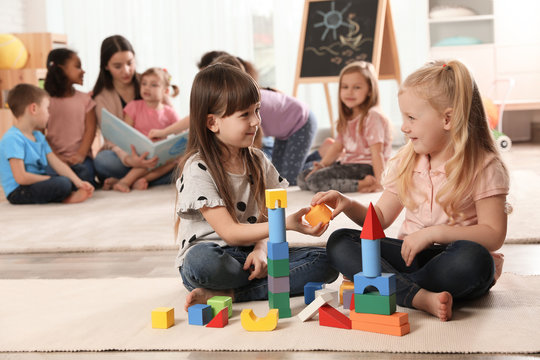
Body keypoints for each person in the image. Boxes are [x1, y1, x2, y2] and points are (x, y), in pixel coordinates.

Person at [315, 60, 510, 321]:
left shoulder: (484, 165)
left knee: (475, 261)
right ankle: (417, 297)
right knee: (340, 241)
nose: (404, 127)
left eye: (411, 118)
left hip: (453, 258)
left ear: (447, 118)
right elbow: (380, 219)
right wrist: (347, 203)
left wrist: (434, 234)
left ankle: (388, 286)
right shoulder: (407, 161)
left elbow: (493, 234)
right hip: (410, 255)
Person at [175, 63, 338, 310]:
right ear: (212, 122)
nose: (256, 122)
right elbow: (229, 232)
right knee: (201, 262)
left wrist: (262, 250)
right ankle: (244, 286)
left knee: (325, 260)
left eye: (257, 110)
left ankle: (228, 294)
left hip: (252, 256)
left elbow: (266, 219)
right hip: (215, 258)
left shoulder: (259, 161)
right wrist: (286, 223)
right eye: (245, 115)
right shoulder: (197, 167)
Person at [198, 51, 318, 185]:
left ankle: (321, 162)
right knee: (279, 171)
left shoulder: (247, 99)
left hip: (302, 121)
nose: (256, 120)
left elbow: (258, 139)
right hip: (285, 128)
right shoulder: (235, 101)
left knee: (290, 178)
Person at [297, 61, 392, 193]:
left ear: (370, 90)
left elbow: (377, 153)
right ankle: (354, 183)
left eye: (357, 87)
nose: (350, 92)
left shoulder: (372, 116)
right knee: (303, 177)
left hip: (366, 167)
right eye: (345, 87)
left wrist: (381, 182)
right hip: (348, 164)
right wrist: (322, 165)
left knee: (315, 181)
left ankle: (363, 184)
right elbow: (337, 146)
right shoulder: (348, 116)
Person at [91, 35, 167, 188]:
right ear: (106, 66)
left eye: (130, 63)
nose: (126, 71)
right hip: (123, 155)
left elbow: (168, 113)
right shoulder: (101, 97)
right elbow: (111, 140)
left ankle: (126, 181)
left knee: (183, 161)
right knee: (102, 161)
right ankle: (144, 179)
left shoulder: (149, 81)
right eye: (118, 66)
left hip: (155, 152)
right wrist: (129, 159)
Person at [0, 84, 94, 204]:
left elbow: (57, 164)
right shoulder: (13, 139)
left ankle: (65, 190)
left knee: (81, 172)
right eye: (47, 109)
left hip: (39, 181)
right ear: (34, 109)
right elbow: (21, 178)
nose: (49, 114)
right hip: (20, 190)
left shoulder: (38, 136)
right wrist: (52, 179)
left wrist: (79, 182)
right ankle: (66, 197)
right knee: (62, 183)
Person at [107, 67, 184, 192]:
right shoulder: (134, 106)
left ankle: (134, 181)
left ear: (165, 91)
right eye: (144, 84)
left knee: (174, 162)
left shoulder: (169, 112)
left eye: (154, 85)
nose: (147, 88)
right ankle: (125, 181)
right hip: (136, 151)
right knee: (149, 159)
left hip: (158, 155)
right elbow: (125, 132)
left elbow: (181, 136)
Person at [44, 48, 97, 186]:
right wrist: (56, 156)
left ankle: (72, 185)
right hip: (54, 157)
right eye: (78, 66)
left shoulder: (85, 100)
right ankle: (70, 186)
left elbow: (91, 129)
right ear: (61, 69)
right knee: (52, 172)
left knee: (85, 172)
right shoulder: (45, 101)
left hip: (81, 158)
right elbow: (39, 133)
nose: (83, 71)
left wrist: (81, 154)